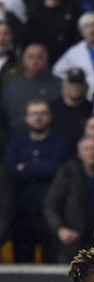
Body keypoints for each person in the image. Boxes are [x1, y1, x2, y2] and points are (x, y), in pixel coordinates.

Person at [3, 98, 70, 263]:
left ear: (50, 117)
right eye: (33, 114)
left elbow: (59, 171)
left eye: (42, 113)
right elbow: (10, 173)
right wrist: (44, 168)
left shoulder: (60, 143)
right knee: (22, 265)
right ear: (26, 117)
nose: (38, 117)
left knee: (52, 265)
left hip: (53, 216)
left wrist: (26, 168)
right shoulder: (15, 144)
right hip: (21, 215)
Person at [43, 135, 94, 263]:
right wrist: (60, 229)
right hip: (72, 241)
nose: (91, 153)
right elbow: (51, 205)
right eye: (87, 149)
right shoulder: (67, 172)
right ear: (80, 153)